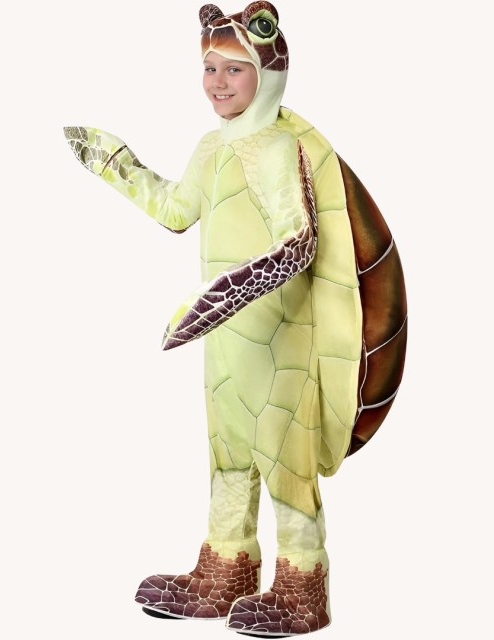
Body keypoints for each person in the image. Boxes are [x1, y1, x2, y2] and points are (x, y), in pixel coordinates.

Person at [64, 3, 406, 636]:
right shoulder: (212, 146)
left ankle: (302, 585)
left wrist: (225, 294)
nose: (218, 82)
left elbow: (298, 244)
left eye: (235, 69)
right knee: (227, 455)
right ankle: (226, 568)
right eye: (210, 68)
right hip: (225, 343)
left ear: (268, 72)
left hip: (281, 340)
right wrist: (116, 166)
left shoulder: (277, 148)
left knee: (283, 458)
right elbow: (176, 210)